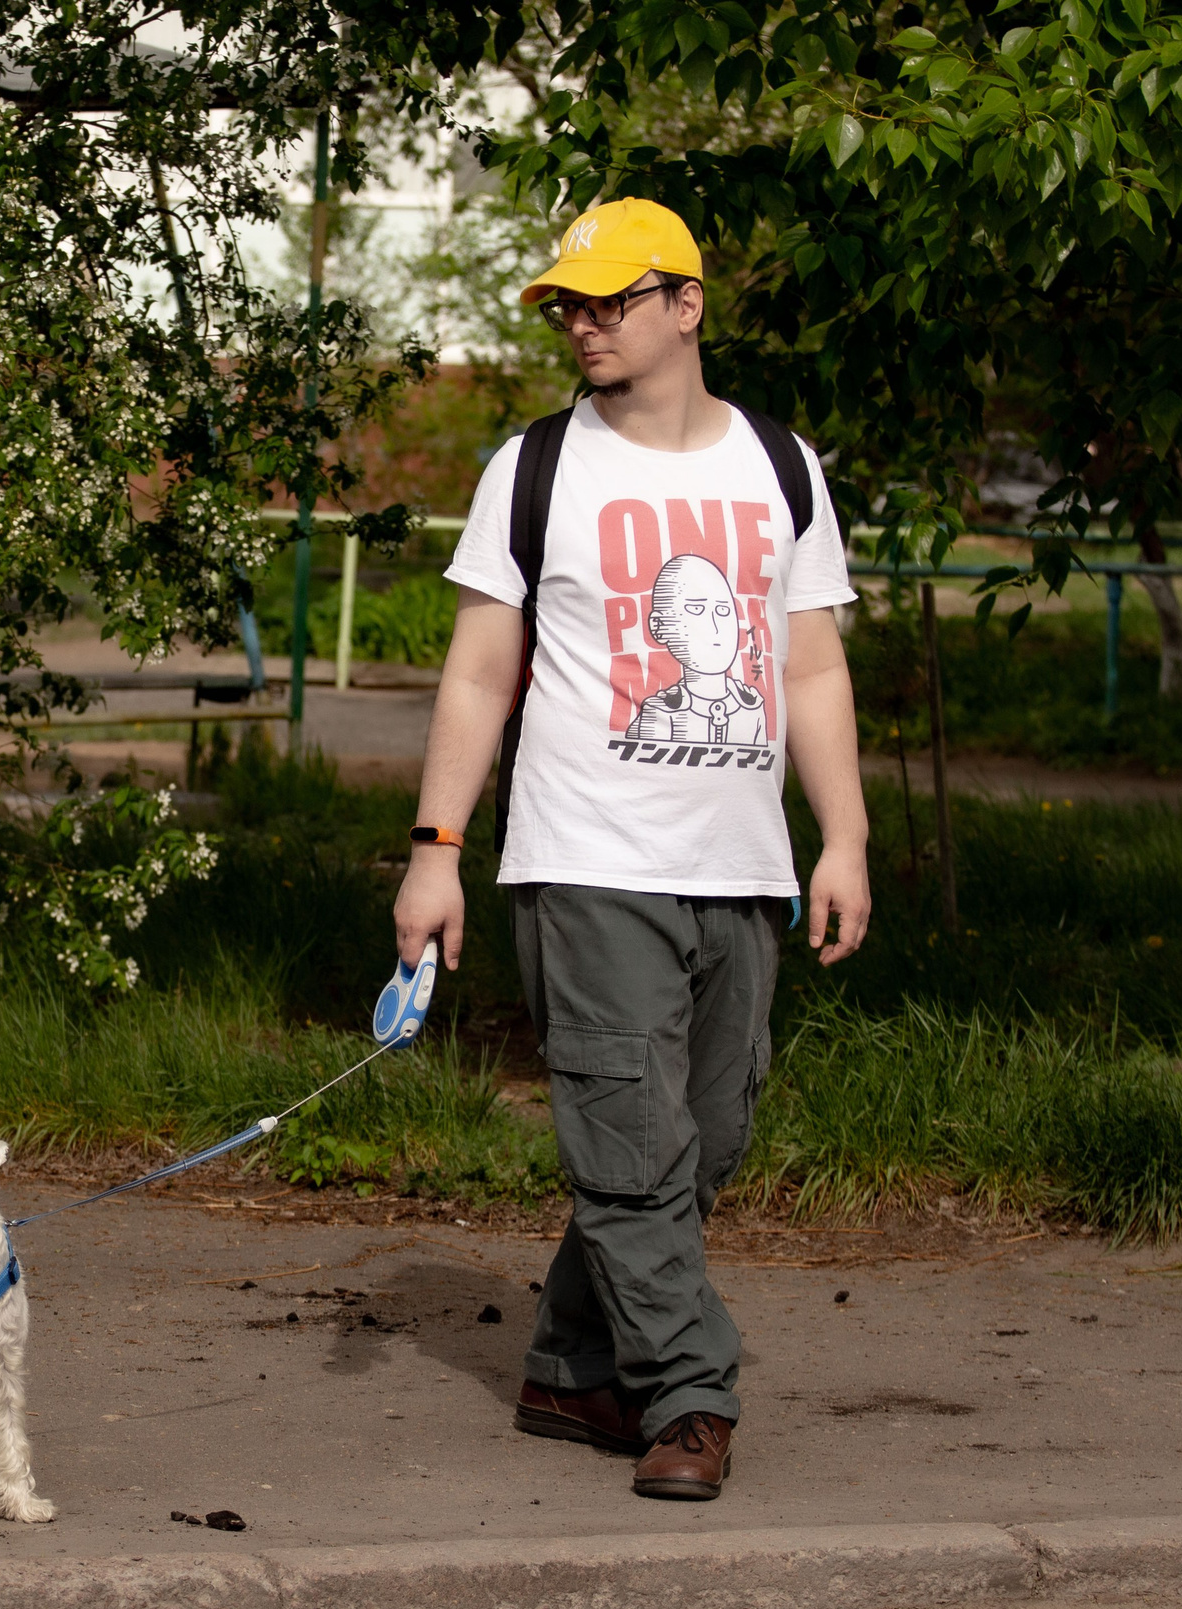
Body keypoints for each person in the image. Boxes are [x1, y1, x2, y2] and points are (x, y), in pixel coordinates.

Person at [392, 198, 871, 1499]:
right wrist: (435, 852)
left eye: (612, 299)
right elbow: (481, 674)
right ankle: (691, 1394)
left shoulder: (782, 466)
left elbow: (813, 666)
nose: (584, 322)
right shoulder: (536, 469)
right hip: (585, 855)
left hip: (741, 865)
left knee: (702, 1136)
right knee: (628, 1138)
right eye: (569, 304)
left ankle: (568, 1363)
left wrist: (845, 837)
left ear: (687, 304)